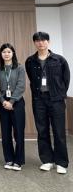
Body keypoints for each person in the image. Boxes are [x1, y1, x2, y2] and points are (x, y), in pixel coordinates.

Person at [25, 32, 70, 174]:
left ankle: (61, 162)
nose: (41, 43)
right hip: (39, 100)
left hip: (56, 100)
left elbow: (66, 79)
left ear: (48, 42)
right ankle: (47, 160)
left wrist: (60, 94)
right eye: (37, 41)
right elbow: (32, 79)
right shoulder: (30, 61)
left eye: (43, 40)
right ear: (34, 43)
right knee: (42, 130)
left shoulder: (59, 60)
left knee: (59, 131)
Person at [0, 43, 26, 171]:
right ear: (1, 54)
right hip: (2, 103)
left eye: (9, 51)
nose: (6, 54)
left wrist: (11, 101)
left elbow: (21, 86)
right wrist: (3, 101)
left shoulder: (19, 68)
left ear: (13, 53)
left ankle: (18, 160)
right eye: (4, 52)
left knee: (18, 132)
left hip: (17, 102)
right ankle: (9, 159)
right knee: (6, 132)